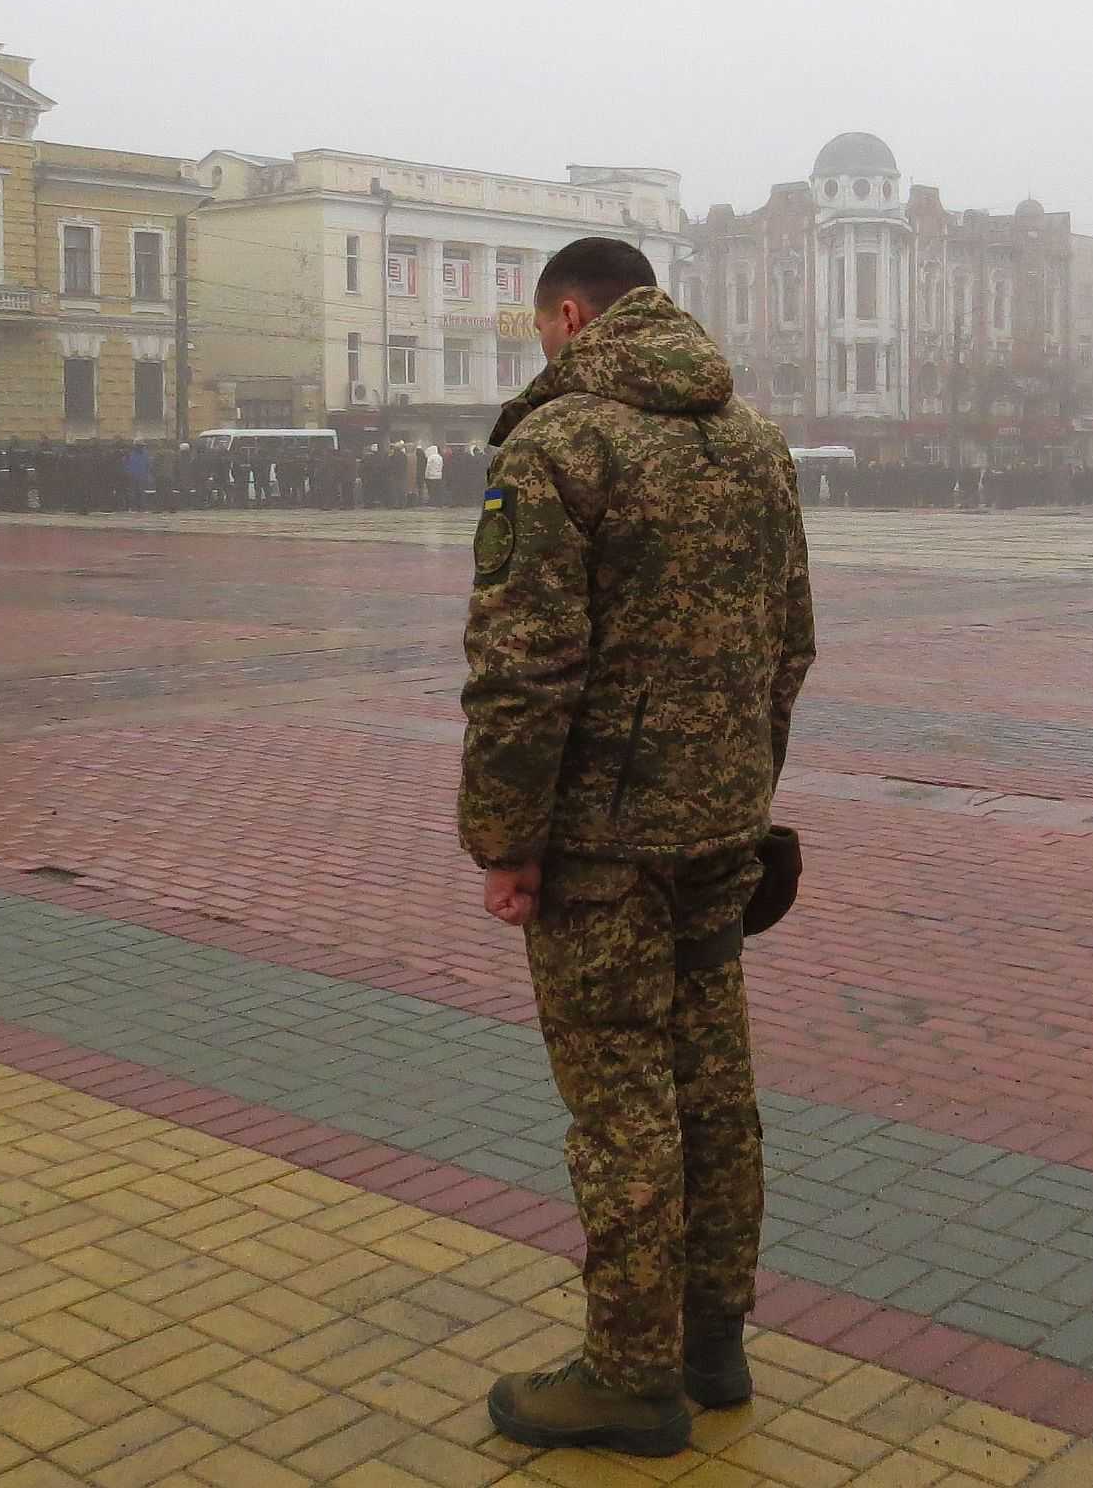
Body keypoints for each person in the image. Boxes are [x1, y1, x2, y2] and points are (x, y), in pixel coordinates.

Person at [459, 238, 814, 1457]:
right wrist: (743, 784)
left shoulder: (562, 444)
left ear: (569, 315)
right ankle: (715, 1337)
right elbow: (791, 642)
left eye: (539, 326)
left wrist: (505, 840)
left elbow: (524, 671)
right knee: (715, 1090)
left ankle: (629, 1372)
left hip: (602, 848)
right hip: (721, 828)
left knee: (621, 1109)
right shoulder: (755, 440)